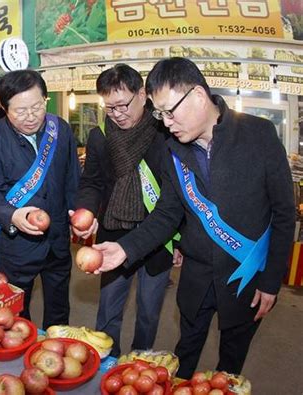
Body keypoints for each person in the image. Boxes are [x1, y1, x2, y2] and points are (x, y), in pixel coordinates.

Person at [95, 57, 295, 378]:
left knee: (230, 363)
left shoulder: (258, 134)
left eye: (170, 112)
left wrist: (272, 281)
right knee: (184, 354)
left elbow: (285, 213)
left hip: (246, 276)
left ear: (199, 96)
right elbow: (167, 213)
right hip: (197, 278)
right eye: (159, 114)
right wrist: (125, 249)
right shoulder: (174, 148)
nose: (166, 123)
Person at [70, 64, 179, 358]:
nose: (117, 114)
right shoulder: (100, 136)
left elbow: (178, 195)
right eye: (110, 107)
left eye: (123, 105)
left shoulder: (166, 132)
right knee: (108, 311)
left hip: (157, 238)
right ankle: (107, 365)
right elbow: (91, 182)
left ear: (142, 95)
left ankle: (138, 365)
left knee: (149, 312)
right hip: (113, 235)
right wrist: (87, 211)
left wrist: (180, 240)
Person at [0, 70, 81, 329]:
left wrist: (76, 214)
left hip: (57, 239)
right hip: (16, 245)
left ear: (45, 98)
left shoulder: (61, 130)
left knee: (59, 309)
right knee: (16, 316)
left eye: (37, 106)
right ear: (4, 107)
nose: (31, 116)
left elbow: (72, 178)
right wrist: (12, 216)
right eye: (20, 111)